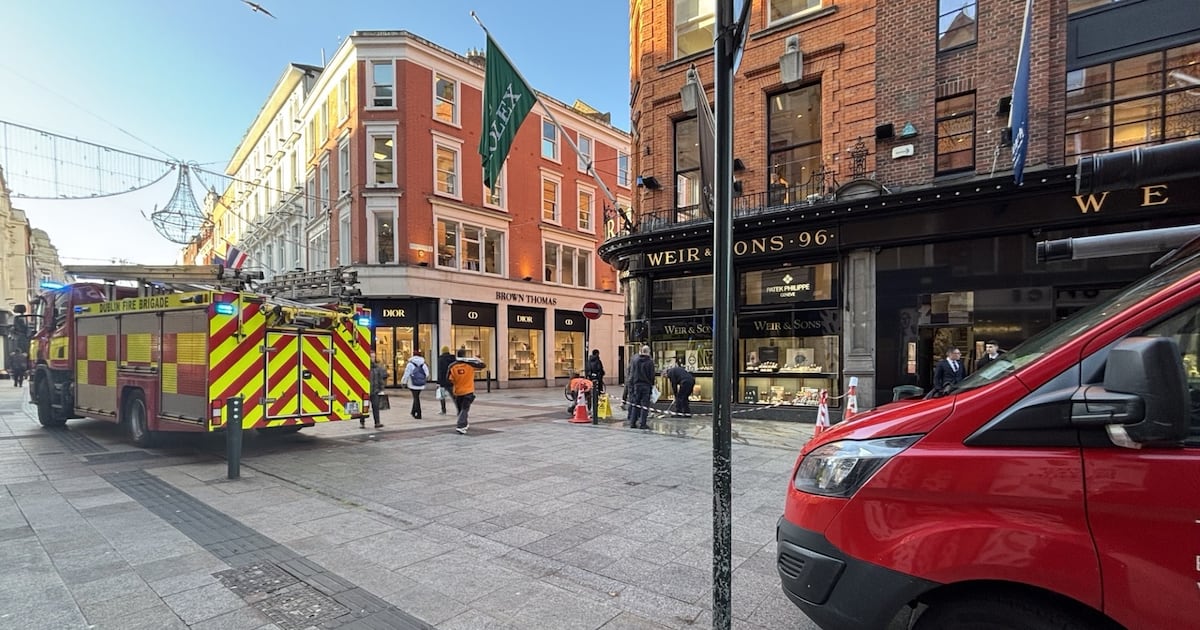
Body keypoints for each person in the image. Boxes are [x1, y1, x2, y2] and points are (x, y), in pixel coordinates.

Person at [447, 349, 484, 434]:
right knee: (465, 408)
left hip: (458, 391)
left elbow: (448, 379)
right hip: (468, 390)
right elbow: (482, 365)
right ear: (465, 355)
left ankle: (464, 423)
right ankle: (461, 425)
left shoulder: (452, 366)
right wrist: (477, 359)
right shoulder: (470, 365)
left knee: (461, 409)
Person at [627, 345, 656, 429]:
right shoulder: (650, 362)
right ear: (648, 352)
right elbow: (652, 375)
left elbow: (632, 373)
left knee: (635, 404)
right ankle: (642, 423)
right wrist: (652, 384)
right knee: (644, 405)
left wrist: (631, 385)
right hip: (646, 385)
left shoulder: (635, 360)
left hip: (636, 385)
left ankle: (632, 422)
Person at [400, 350, 430, 419]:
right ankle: (413, 411)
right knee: (416, 397)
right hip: (421, 384)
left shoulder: (410, 364)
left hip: (412, 384)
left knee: (416, 398)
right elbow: (427, 374)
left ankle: (419, 413)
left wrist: (403, 382)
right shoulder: (423, 364)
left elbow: (406, 374)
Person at [367, 358, 387, 429]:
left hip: (375, 390)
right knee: (365, 407)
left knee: (376, 406)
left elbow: (380, 378)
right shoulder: (365, 367)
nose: (372, 359)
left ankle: (377, 422)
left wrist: (381, 388)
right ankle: (362, 420)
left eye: (373, 357)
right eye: (371, 357)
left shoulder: (377, 368)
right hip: (366, 391)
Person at [437, 345, 455, 414]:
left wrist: (438, 381)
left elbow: (440, 371)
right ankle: (459, 409)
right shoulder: (453, 359)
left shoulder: (441, 359)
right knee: (454, 396)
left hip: (443, 381)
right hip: (451, 380)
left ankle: (443, 410)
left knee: (442, 396)